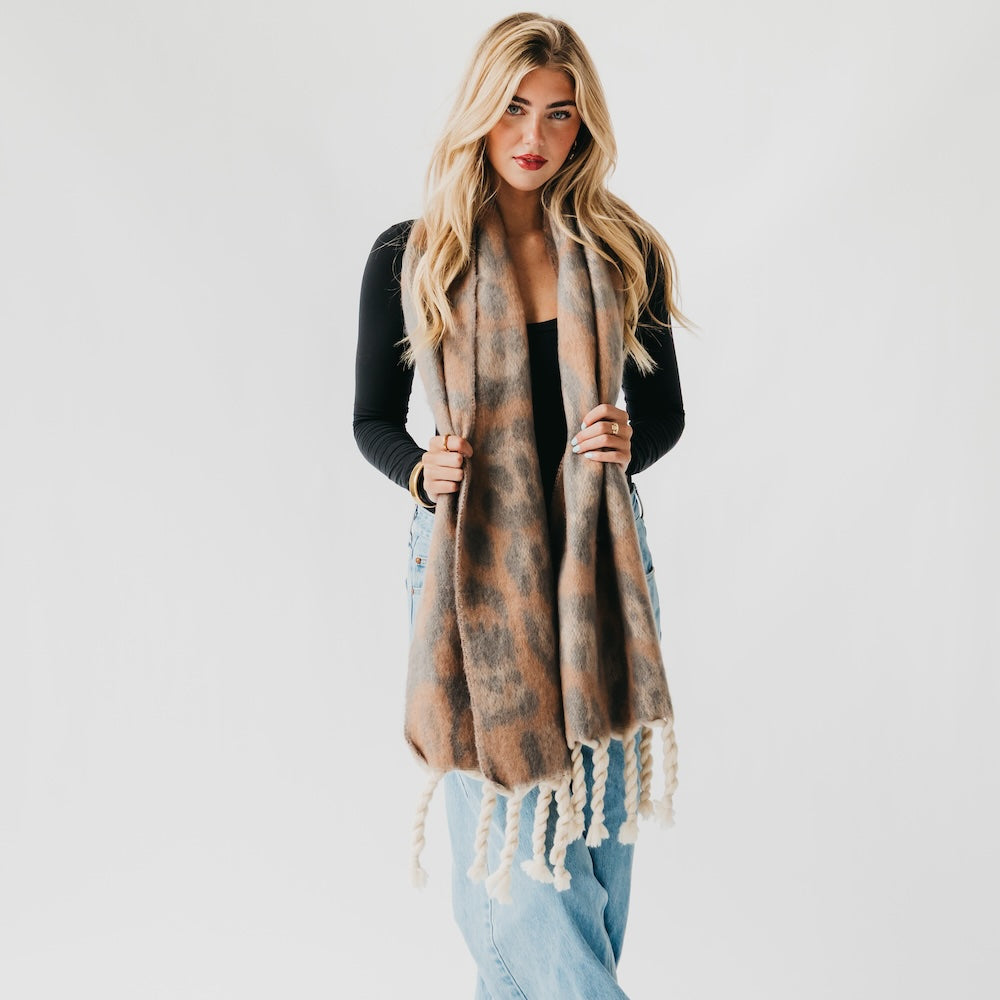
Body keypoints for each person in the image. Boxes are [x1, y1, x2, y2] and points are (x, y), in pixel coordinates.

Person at [353, 12, 689, 998]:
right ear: (480, 111)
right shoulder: (414, 253)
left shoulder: (622, 249)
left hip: (600, 568)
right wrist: (421, 470)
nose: (534, 135)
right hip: (472, 573)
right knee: (520, 884)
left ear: (583, 124)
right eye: (513, 108)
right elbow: (372, 419)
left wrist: (627, 443)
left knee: (592, 865)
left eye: (557, 114)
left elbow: (663, 413)